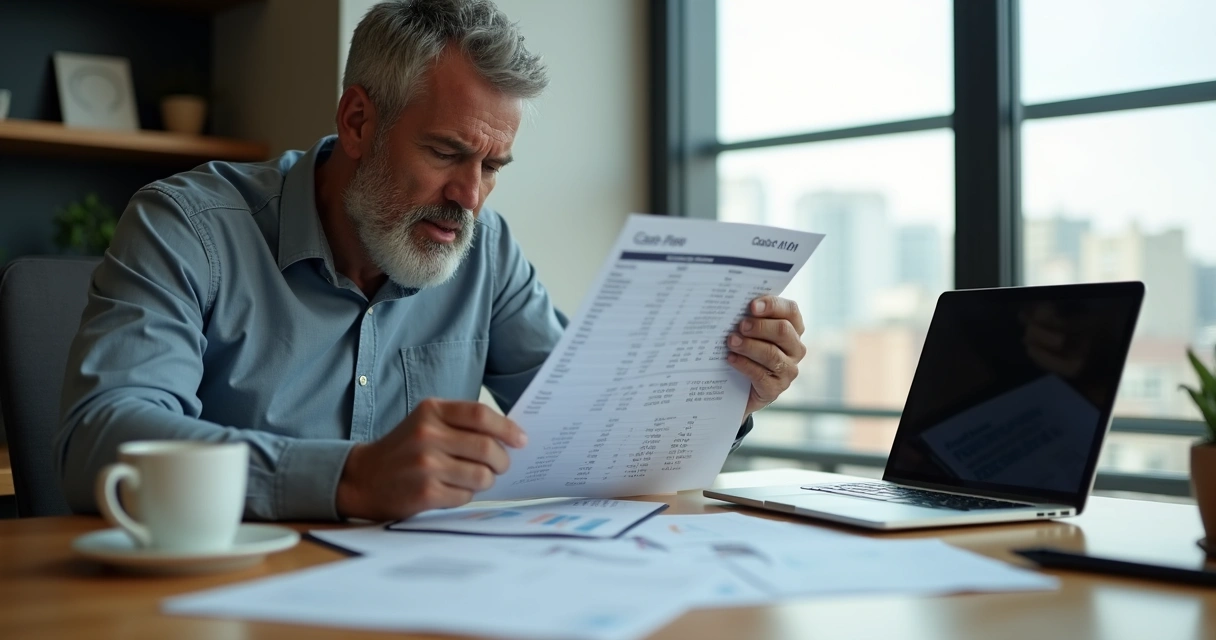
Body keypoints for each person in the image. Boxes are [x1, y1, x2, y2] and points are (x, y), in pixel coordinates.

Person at [54, 0, 807, 522]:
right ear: (357, 121)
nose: (469, 197)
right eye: (447, 153)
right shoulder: (185, 225)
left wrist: (722, 391)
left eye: (494, 166)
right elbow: (106, 437)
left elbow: (590, 425)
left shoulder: (487, 250)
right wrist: (349, 477)